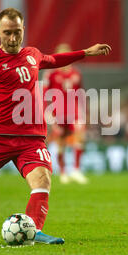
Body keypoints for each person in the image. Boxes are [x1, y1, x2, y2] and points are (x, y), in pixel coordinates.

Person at [0, 8, 111, 245]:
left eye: (17, 32)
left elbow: (54, 60)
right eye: (7, 33)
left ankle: (34, 230)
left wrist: (86, 52)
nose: (13, 39)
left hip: (32, 138)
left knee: (42, 179)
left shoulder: (32, 54)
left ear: (23, 29)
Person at [43, 43, 88, 184]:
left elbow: (80, 93)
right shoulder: (51, 73)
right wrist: (47, 113)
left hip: (74, 112)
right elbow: (44, 95)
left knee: (80, 137)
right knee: (61, 142)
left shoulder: (76, 74)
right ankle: (63, 172)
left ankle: (76, 170)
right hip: (58, 112)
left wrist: (84, 111)